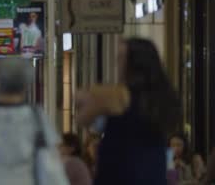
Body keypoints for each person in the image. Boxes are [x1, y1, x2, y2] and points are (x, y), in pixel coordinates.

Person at [76, 38, 180, 185]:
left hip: (121, 174)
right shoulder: (164, 97)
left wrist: (94, 92)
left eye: (120, 58)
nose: (116, 64)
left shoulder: (120, 96)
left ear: (133, 63)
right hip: (152, 173)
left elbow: (81, 117)